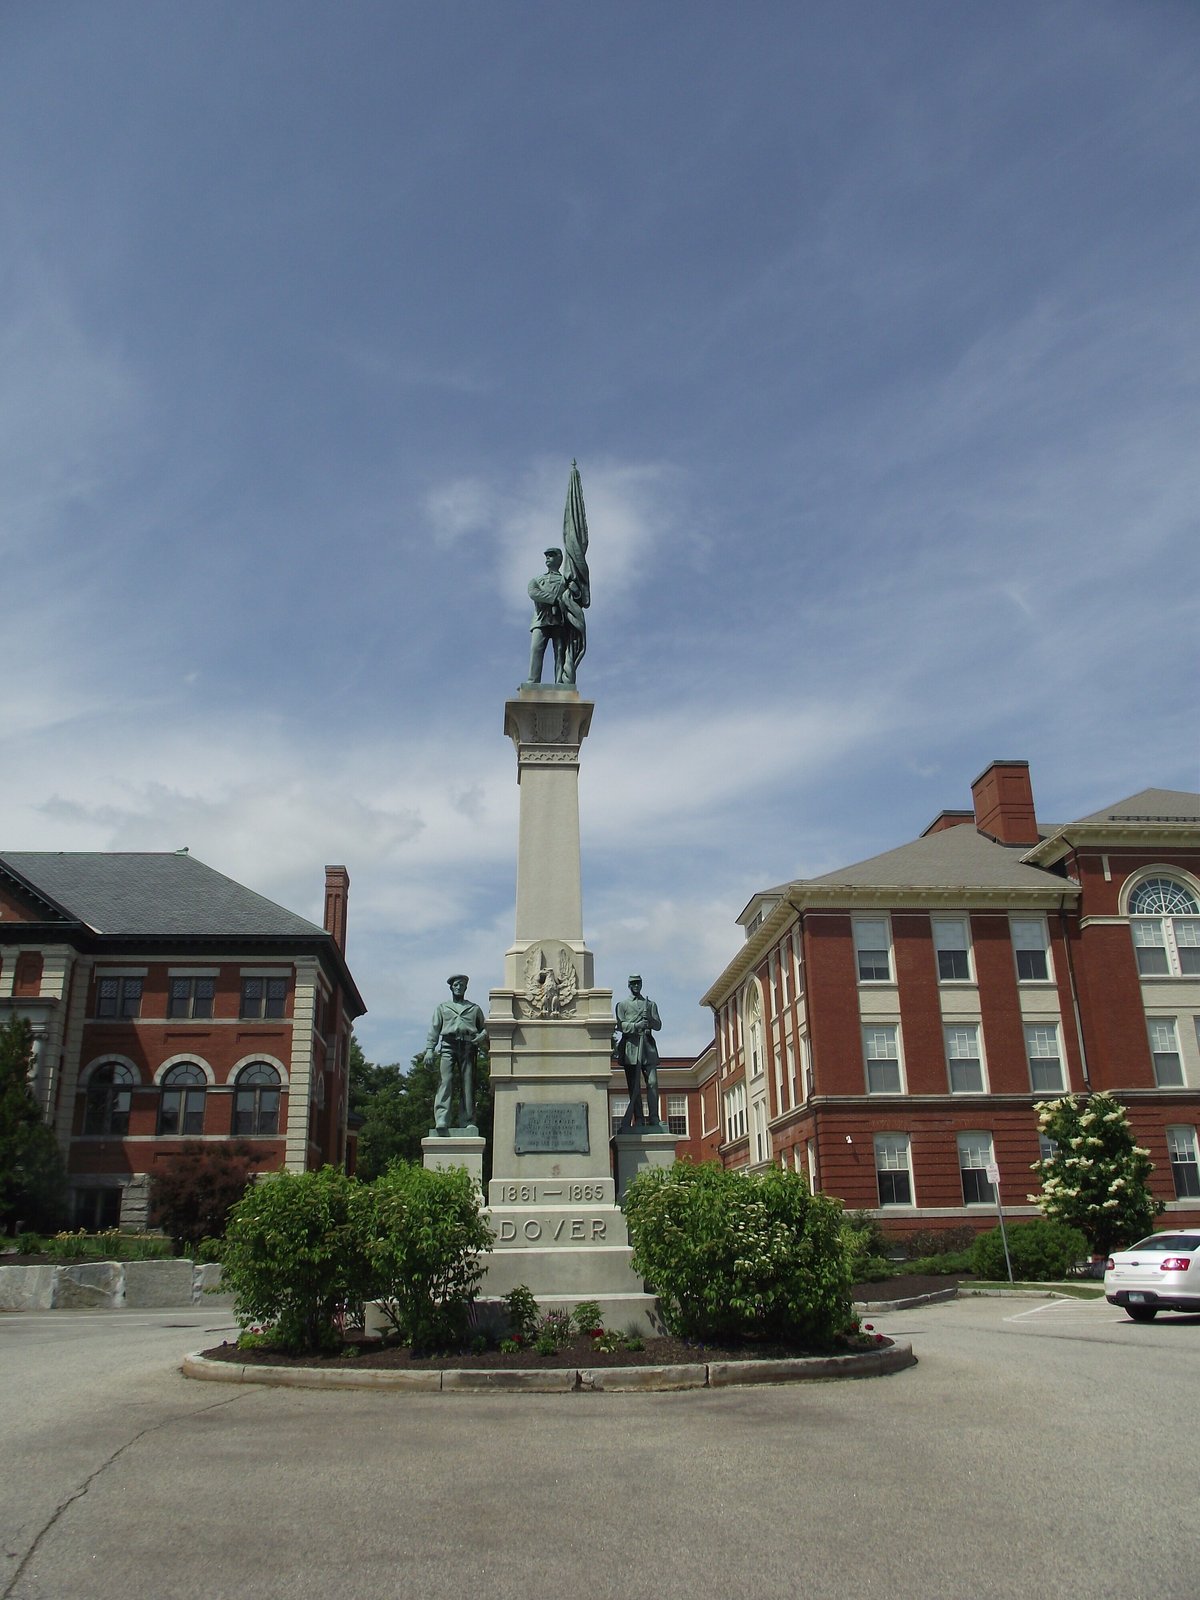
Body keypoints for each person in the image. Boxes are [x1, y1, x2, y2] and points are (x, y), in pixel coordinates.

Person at [424, 974, 487, 1134]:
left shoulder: (474, 1008)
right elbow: (434, 1029)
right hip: (448, 1044)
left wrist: (482, 1036)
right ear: (451, 987)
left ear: (466, 988)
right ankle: (442, 1119)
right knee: (445, 1081)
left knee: (468, 1084)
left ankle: (467, 1121)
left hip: (468, 1046)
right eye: (456, 985)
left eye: (462, 985)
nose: (459, 987)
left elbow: (485, 1027)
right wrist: (430, 1049)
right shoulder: (442, 1008)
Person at [527, 546, 584, 685]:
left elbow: (578, 599)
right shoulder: (537, 579)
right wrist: (554, 599)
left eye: (551, 555)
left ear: (559, 558)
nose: (548, 557)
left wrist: (575, 590)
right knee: (536, 649)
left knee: (560, 652)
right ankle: (533, 681)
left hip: (560, 620)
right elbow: (533, 593)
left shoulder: (565, 581)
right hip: (541, 619)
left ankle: (559, 682)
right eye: (547, 555)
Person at [612, 975, 663, 1128]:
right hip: (631, 1048)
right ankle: (639, 1119)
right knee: (634, 1087)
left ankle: (654, 1118)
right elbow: (620, 1026)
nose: (636, 986)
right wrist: (636, 1026)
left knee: (653, 1083)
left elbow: (658, 1025)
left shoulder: (651, 1004)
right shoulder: (622, 1005)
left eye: (638, 983)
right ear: (629, 985)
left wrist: (649, 1022)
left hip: (648, 1046)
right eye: (633, 983)